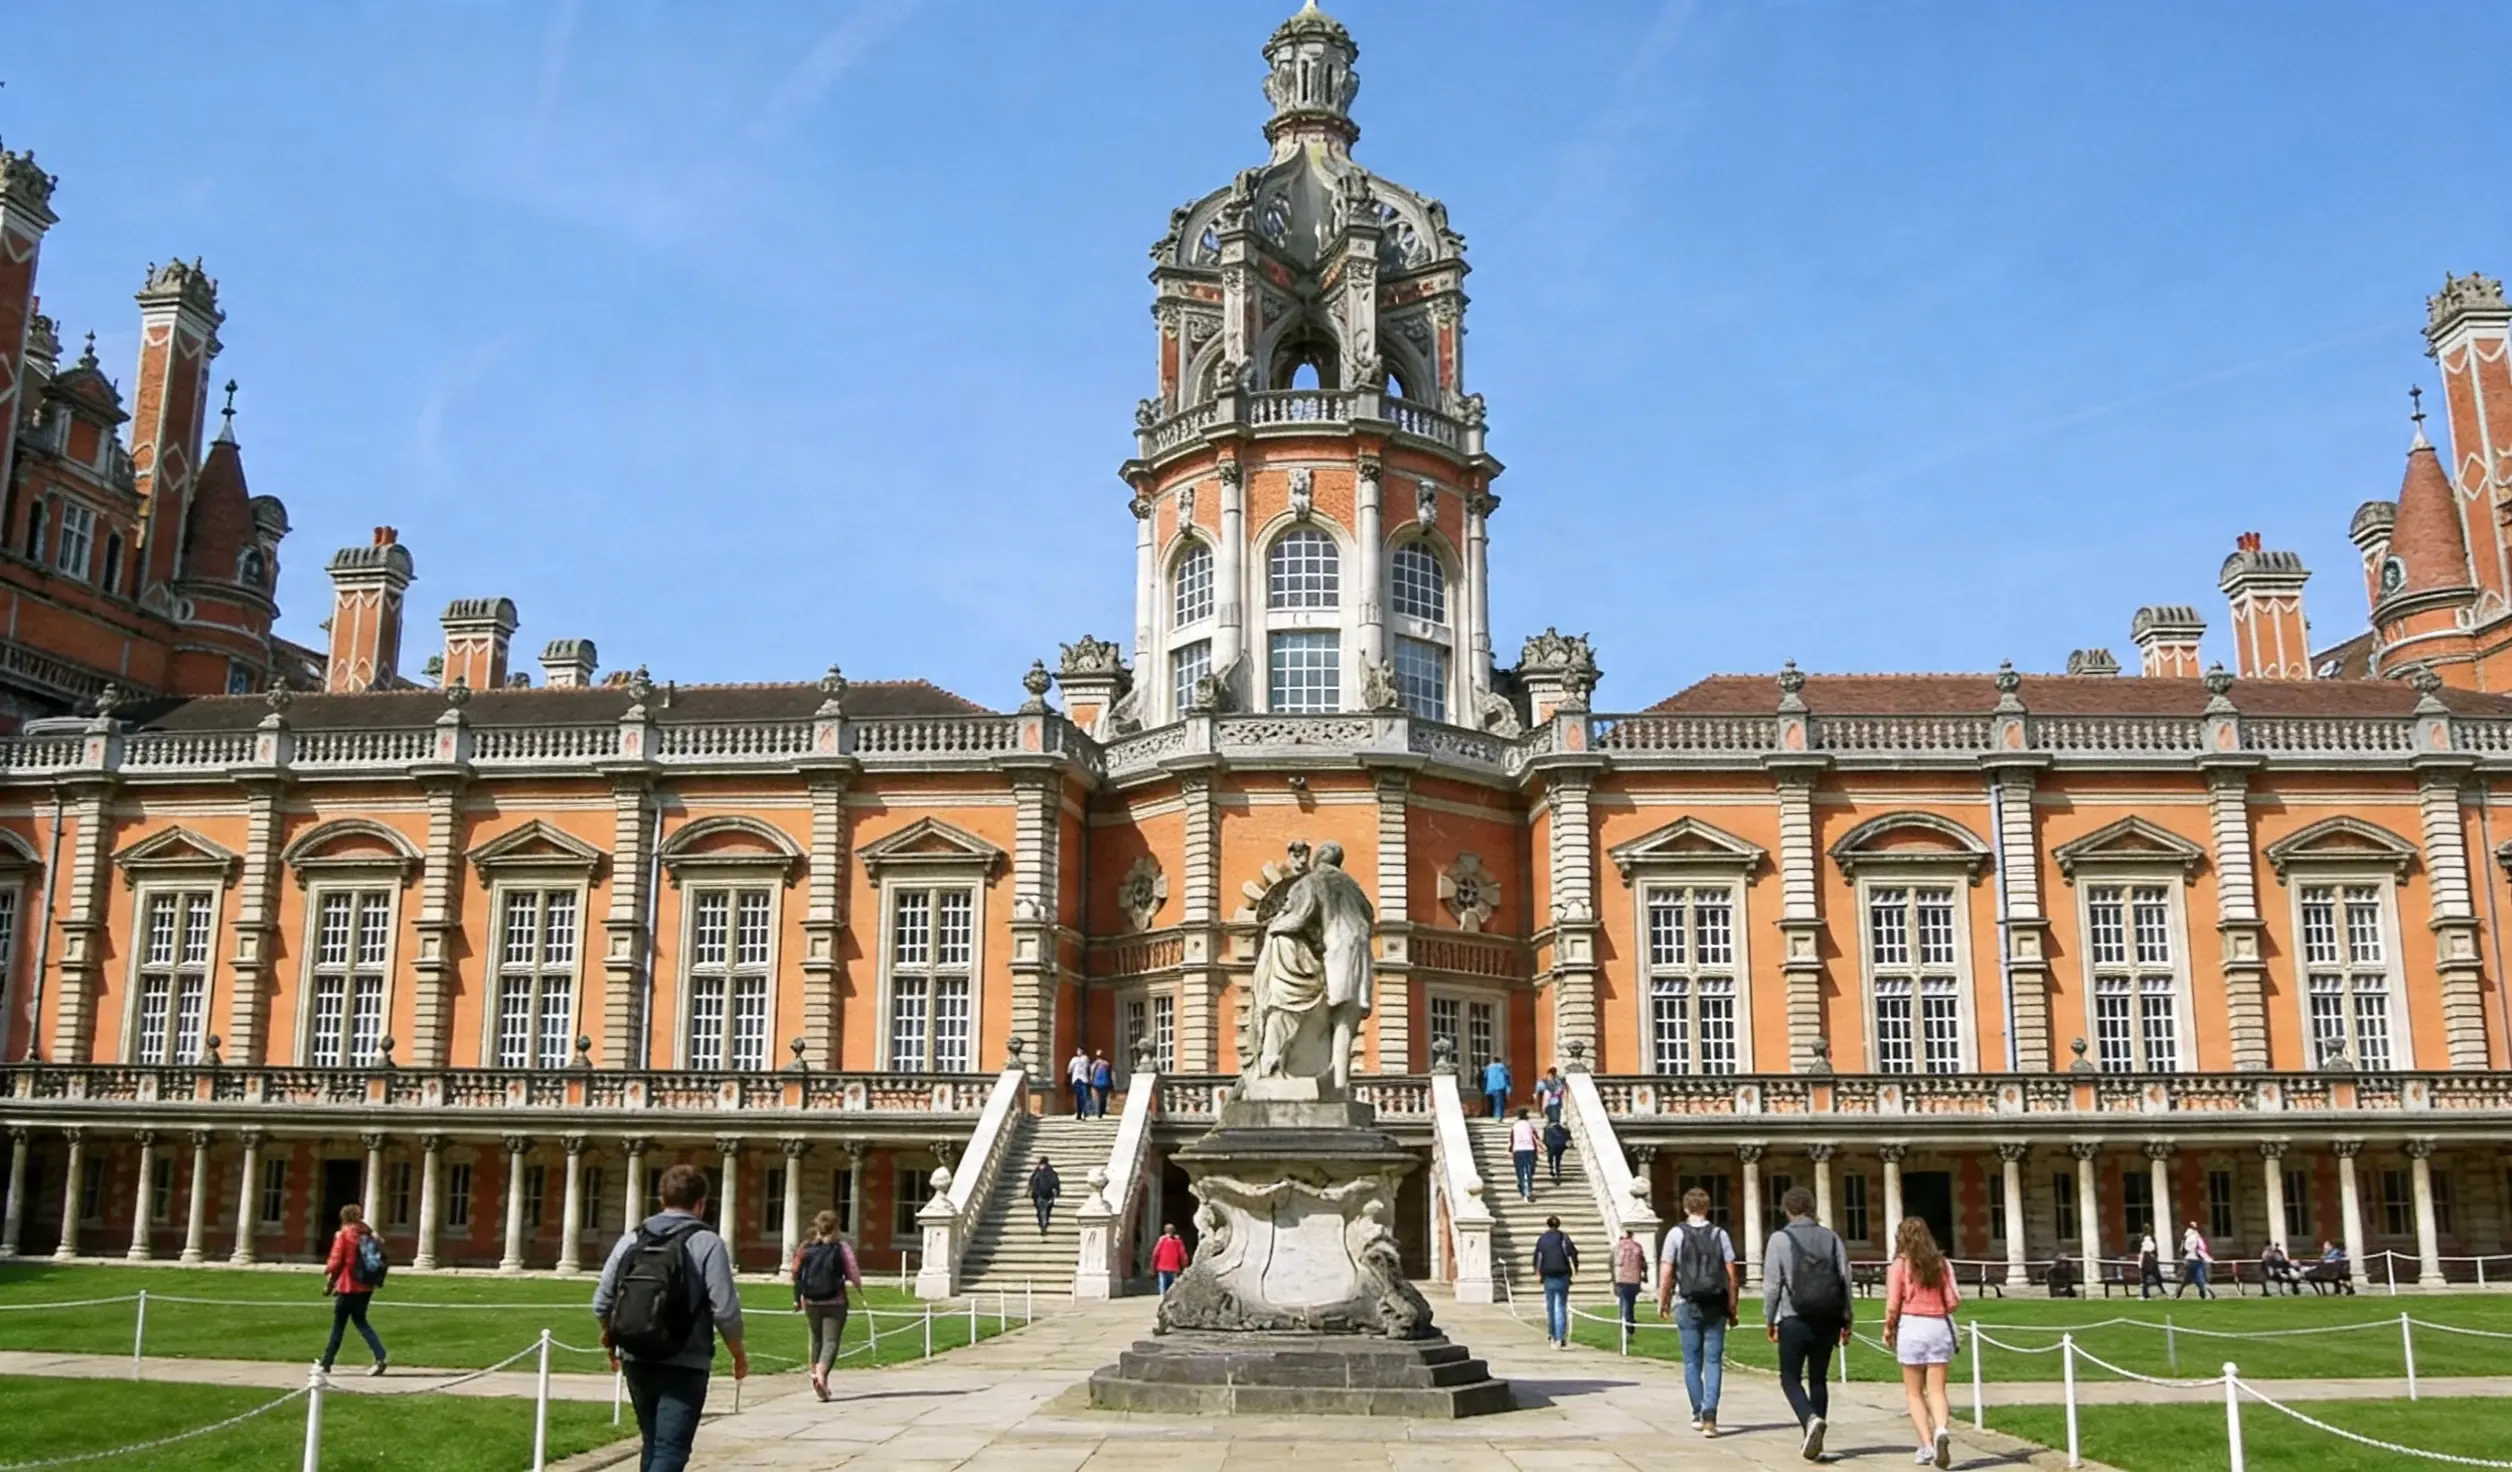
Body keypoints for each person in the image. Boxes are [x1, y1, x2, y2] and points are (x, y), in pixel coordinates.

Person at [593, 1163, 747, 1472]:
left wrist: (612, 1343)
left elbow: (601, 1303)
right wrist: (738, 1354)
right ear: (700, 1204)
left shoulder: (632, 1239)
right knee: (670, 1452)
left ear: (661, 1200)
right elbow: (725, 1311)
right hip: (685, 1361)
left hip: (637, 1355)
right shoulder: (707, 1243)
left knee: (652, 1444)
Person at [1764, 1185, 1852, 1463]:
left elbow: (1772, 1286)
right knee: (1818, 1378)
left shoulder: (1779, 1239)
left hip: (1794, 1317)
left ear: (1787, 1209)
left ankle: (1809, 1419)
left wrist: (1769, 1319)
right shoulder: (1831, 1237)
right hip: (1827, 1317)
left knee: (1789, 1378)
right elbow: (1845, 1280)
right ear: (1811, 1207)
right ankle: (1816, 1437)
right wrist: (1847, 1319)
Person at [1657, 1186, 1737, 1438]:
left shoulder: (1675, 1234)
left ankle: (1697, 1411)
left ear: (1685, 1207)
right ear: (1707, 1207)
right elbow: (1732, 1275)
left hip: (1687, 1301)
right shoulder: (1720, 1234)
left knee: (1692, 1361)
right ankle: (1710, 1416)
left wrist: (1663, 1301)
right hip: (1715, 1303)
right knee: (1713, 1361)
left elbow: (1667, 1271)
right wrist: (1733, 1305)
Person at [1883, 1216, 1961, 1469]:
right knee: (1937, 1390)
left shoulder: (1900, 1265)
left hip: (1912, 1326)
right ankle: (1941, 1430)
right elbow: (1953, 1302)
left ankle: (1927, 1445)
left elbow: (1893, 1304)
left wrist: (1888, 1328)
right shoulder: (1942, 1264)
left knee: (1914, 1393)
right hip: (1938, 1326)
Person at [788, 1209, 862, 1402]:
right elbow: (852, 1269)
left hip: (811, 1300)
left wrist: (797, 1297)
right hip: (835, 1300)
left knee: (816, 1340)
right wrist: (857, 1285)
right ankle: (821, 1373)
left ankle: (819, 1380)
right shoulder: (841, 1247)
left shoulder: (805, 1247)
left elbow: (795, 1271)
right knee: (831, 1341)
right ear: (836, 1227)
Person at [318, 1203, 389, 1377]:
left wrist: (329, 1283)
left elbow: (336, 1261)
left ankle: (326, 1363)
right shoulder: (368, 1233)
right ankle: (380, 1356)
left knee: (339, 1326)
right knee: (361, 1321)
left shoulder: (344, 1235)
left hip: (349, 1285)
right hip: (366, 1285)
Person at [1533, 1214, 1579, 1349]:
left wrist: (1538, 1273)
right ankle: (1560, 1337)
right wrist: (1575, 1269)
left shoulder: (1542, 1239)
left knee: (1551, 1307)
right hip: (1562, 1274)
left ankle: (1552, 1335)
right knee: (1561, 1306)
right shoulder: (1564, 1238)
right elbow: (1573, 1254)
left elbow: (1537, 1257)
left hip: (1548, 1275)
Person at [1612, 1226, 1648, 1331]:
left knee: (1623, 1302)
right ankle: (1629, 1322)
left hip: (1622, 1278)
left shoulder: (1618, 1247)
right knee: (1630, 1302)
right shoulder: (1637, 1247)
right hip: (1635, 1278)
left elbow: (1613, 1263)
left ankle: (1625, 1323)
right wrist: (1644, 1275)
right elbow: (1643, 1263)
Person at [2176, 1220, 2215, 1300]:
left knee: (2189, 1279)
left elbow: (2183, 1249)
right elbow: (2198, 1248)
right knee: (2196, 1278)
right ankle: (2203, 1293)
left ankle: (2181, 1292)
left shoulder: (2186, 1236)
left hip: (2190, 1260)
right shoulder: (2194, 1237)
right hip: (2194, 1260)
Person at [1508, 1110, 1541, 1200]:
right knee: (1529, 1171)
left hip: (1518, 1150)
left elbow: (1512, 1139)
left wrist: (1510, 1150)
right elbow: (1536, 1138)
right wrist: (1539, 1149)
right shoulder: (1529, 1125)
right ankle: (1527, 1190)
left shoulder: (1515, 1126)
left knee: (1520, 1170)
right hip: (1530, 1149)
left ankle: (1522, 1188)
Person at [1152, 1222, 1190, 1295]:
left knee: (1163, 1287)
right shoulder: (1177, 1241)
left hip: (1163, 1267)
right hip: (1173, 1268)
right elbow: (1182, 1254)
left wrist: (1153, 1266)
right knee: (1172, 1288)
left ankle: (1163, 1301)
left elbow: (1155, 1253)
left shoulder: (1162, 1240)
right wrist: (1185, 1265)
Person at [1028, 1155, 1060, 1234]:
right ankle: (1044, 1224)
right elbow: (1055, 1182)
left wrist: (1030, 1191)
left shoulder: (1037, 1172)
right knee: (1045, 1211)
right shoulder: (1051, 1171)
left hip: (1039, 1195)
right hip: (1047, 1195)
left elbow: (1031, 1183)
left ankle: (1042, 1224)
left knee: (1041, 1211)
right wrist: (1057, 1191)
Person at [1542, 1115, 1572, 1188]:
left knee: (1551, 1157)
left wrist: (1546, 1146)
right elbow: (1568, 1138)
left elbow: (1544, 1139)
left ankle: (1552, 1169)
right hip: (1560, 1146)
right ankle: (1557, 1171)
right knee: (1558, 1158)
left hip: (1551, 1146)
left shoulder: (1547, 1128)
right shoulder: (1564, 1129)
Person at [2137, 1230, 2164, 1298]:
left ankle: (2145, 1294)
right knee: (2157, 1277)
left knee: (2145, 1280)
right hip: (2151, 1265)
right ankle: (2161, 1290)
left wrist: (2140, 1265)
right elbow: (2153, 1249)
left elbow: (2141, 1256)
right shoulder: (2150, 1248)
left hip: (2145, 1265)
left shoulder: (2144, 1248)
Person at [1067, 1047, 1092, 1117]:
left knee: (1084, 1096)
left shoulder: (1085, 1058)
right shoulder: (1074, 1059)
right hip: (1076, 1080)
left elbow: (1088, 1068)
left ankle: (1084, 1111)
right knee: (1078, 1097)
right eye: (1078, 1050)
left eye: (1080, 1050)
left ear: (1082, 1051)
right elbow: (1069, 1069)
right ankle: (1079, 1113)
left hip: (1084, 1079)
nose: (1079, 1052)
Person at [1090, 1051, 1115, 1117]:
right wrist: (1111, 1083)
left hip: (1096, 1083)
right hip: (1104, 1083)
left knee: (1097, 1098)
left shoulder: (1094, 1064)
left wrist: (1091, 1082)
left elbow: (1092, 1074)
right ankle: (1101, 1111)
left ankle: (1098, 1111)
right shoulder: (1107, 1064)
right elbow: (1110, 1074)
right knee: (1102, 1098)